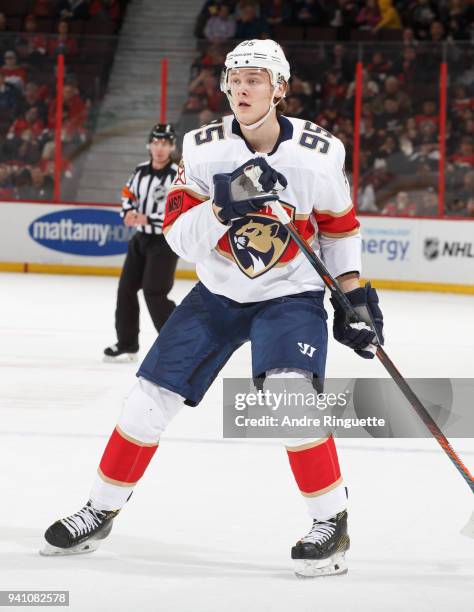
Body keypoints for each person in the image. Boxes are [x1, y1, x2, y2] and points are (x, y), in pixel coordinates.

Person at [42, 40, 384, 578]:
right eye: (235, 79)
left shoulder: (319, 153)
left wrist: (354, 295)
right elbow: (179, 236)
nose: (243, 89)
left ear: (280, 88)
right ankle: (100, 508)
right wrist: (224, 208)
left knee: (289, 399)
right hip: (218, 295)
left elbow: (339, 228)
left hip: (289, 294)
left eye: (255, 79)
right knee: (145, 402)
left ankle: (331, 521)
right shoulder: (202, 148)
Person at [103, 124, 179, 361]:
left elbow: (178, 212)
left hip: (164, 242)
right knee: (126, 288)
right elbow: (128, 195)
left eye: (165, 144)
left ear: (172, 147)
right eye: (156, 143)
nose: (159, 148)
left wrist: (149, 218)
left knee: (154, 292)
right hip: (141, 239)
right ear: (149, 145)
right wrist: (127, 213)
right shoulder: (140, 171)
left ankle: (178, 343)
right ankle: (127, 343)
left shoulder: (177, 175)